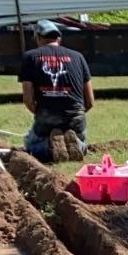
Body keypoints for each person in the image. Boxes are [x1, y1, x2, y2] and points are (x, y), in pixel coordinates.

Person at [18, 21, 94, 162]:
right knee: (81, 139)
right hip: (75, 119)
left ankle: (48, 146)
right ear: (59, 39)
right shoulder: (78, 57)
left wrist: (41, 112)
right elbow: (90, 101)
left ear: (38, 38)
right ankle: (79, 146)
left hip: (47, 118)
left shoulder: (30, 57)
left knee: (30, 144)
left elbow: (28, 99)